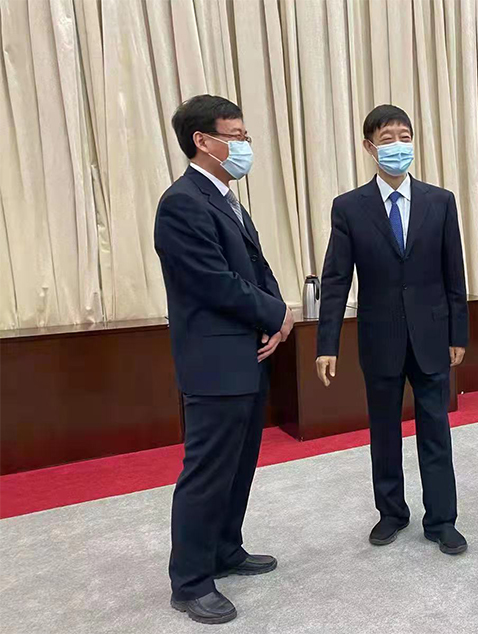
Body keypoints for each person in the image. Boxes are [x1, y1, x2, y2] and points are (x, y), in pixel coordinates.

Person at [155, 95, 293, 624]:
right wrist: (276, 313)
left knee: (239, 463)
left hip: (248, 354)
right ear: (203, 141)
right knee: (208, 470)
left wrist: (278, 316)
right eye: (235, 136)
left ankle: (224, 548)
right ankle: (190, 581)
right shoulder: (182, 203)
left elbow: (256, 268)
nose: (244, 145)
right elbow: (215, 283)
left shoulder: (227, 199)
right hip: (214, 361)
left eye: (244, 136)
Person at [316, 105, 469, 555]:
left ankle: (442, 520)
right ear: (370, 147)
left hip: (431, 336)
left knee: (435, 430)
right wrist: (327, 343)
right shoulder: (349, 207)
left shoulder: (440, 201)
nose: (398, 145)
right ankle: (391, 513)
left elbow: (454, 273)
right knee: (384, 432)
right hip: (379, 337)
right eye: (387, 138)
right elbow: (336, 278)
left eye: (405, 136)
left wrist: (458, 333)